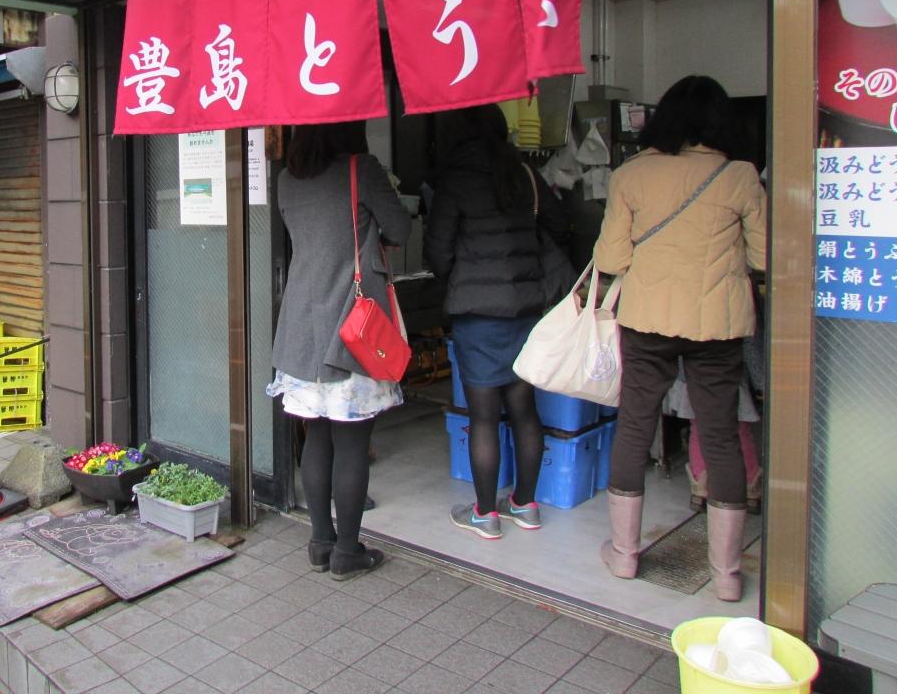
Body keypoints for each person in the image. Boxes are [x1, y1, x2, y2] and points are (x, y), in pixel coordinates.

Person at [594, 75, 765, 602]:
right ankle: (726, 575)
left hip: (647, 319)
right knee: (720, 434)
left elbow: (611, 259)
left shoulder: (631, 175)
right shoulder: (740, 176)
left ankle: (624, 555)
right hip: (717, 324)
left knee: (635, 425)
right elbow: (764, 258)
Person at [269, 122, 411, 581]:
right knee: (352, 441)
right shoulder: (360, 169)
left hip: (301, 325)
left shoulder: (286, 180)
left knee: (316, 436)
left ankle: (320, 544)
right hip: (352, 324)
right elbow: (401, 229)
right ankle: (348, 552)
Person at [425, 104, 570, 540]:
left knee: (484, 416)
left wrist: (462, 277)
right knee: (525, 410)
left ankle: (485, 514)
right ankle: (525, 506)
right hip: (525, 309)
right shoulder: (523, 172)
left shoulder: (456, 178)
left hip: (478, 316)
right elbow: (558, 225)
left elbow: (437, 251)